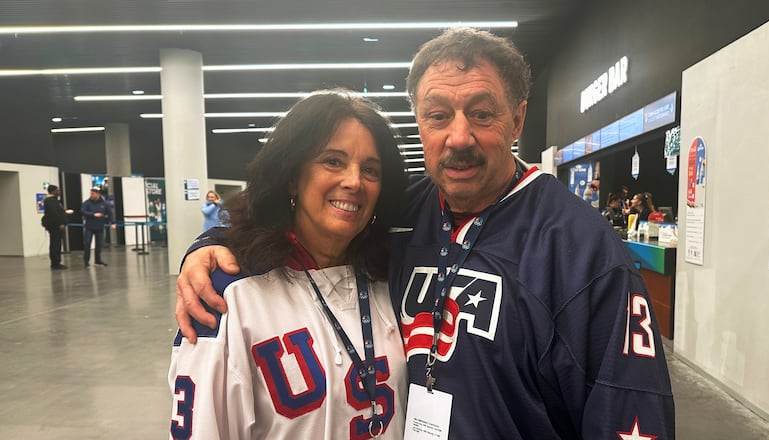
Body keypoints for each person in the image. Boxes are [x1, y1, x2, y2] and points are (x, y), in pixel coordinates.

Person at [176, 28, 675, 439]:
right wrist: (207, 248)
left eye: (481, 113)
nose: (459, 137)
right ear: (420, 123)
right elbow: (292, 221)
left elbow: (631, 410)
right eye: (438, 116)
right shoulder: (397, 210)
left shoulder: (579, 248)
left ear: (518, 118)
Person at [168, 90, 409, 439]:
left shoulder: (390, 276)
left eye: (370, 169)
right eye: (333, 161)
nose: (354, 181)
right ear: (292, 175)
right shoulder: (228, 295)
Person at [80, 187, 115, 267]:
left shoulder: (104, 203)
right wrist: (93, 214)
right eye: (91, 193)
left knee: (99, 244)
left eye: (93, 193)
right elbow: (83, 211)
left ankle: (98, 260)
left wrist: (113, 223)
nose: (91, 195)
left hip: (99, 226)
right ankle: (86, 261)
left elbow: (110, 213)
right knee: (87, 244)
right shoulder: (87, 203)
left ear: (98, 194)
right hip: (89, 227)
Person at [41, 184, 71, 269]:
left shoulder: (54, 201)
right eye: (57, 190)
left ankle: (56, 262)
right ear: (53, 191)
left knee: (57, 243)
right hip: (54, 226)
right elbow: (54, 214)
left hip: (56, 225)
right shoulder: (50, 201)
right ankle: (55, 263)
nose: (59, 192)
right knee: (55, 244)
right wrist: (60, 223)